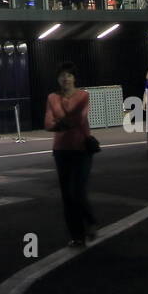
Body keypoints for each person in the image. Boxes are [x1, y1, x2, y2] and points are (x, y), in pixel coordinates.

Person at [44, 63, 98, 247]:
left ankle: (90, 221)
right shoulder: (52, 96)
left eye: (68, 75)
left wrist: (59, 120)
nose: (65, 79)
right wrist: (61, 121)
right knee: (67, 195)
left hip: (82, 149)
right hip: (61, 150)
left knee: (78, 191)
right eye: (61, 76)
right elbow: (48, 123)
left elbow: (78, 118)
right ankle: (77, 235)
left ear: (74, 78)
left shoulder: (83, 95)